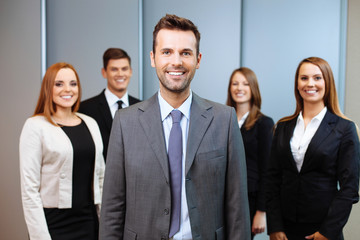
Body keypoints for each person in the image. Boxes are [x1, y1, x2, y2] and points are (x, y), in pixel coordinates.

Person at [99, 14, 250, 240]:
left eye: (185, 53)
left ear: (198, 60)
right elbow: (112, 208)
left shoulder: (224, 120)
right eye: (167, 52)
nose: (176, 62)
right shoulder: (125, 122)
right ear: (153, 58)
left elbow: (237, 208)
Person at [266, 57, 360, 240]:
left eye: (317, 78)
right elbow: (272, 180)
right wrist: (275, 227)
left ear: (327, 82)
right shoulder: (283, 127)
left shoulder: (345, 129)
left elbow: (349, 188)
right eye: (304, 78)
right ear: (297, 84)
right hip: (285, 230)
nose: (310, 83)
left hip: (323, 230)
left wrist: (327, 232)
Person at [19, 62, 105, 240]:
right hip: (54, 225)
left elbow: (101, 177)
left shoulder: (90, 123)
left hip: (89, 222)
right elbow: (29, 191)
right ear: (48, 88)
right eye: (59, 84)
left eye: (73, 84)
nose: (68, 89)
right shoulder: (35, 126)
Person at [226, 67, 274, 239]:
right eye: (235, 83)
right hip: (223, 196)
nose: (239, 88)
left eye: (245, 84)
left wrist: (261, 211)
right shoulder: (223, 120)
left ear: (253, 88)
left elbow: (267, 170)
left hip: (249, 199)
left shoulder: (264, 124)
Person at [79, 48, 141, 160]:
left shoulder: (142, 108)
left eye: (124, 69)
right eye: (114, 69)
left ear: (130, 71)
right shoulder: (85, 109)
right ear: (104, 72)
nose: (120, 74)